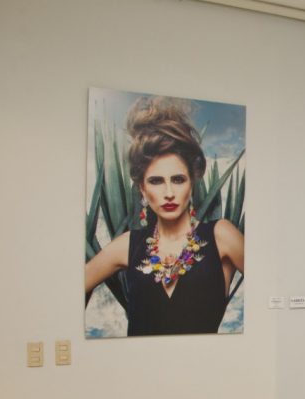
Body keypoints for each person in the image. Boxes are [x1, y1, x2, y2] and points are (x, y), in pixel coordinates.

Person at [85, 96, 244, 335]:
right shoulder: (128, 245)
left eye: (178, 180)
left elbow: (270, 287)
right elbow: (69, 291)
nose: (169, 193)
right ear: (142, 188)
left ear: (192, 182)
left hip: (207, 357)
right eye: (156, 181)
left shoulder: (221, 235)